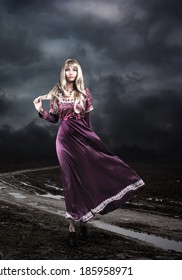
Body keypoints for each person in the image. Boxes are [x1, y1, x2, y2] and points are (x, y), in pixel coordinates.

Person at [33, 58, 145, 247]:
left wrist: (91, 143)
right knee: (69, 182)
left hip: (82, 140)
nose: (71, 73)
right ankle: (71, 227)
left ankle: (84, 219)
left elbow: (88, 122)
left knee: (85, 179)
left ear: (78, 73)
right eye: (68, 70)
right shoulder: (57, 93)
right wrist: (41, 111)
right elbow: (54, 119)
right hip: (63, 141)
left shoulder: (85, 93)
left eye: (74, 70)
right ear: (64, 72)